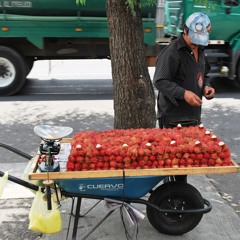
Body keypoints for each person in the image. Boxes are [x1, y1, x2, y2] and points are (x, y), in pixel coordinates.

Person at [153, 12, 215, 182]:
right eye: (194, 39)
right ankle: (170, 199)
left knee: (184, 165)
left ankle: (179, 197)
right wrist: (183, 93)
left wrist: (207, 87)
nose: (196, 44)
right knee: (172, 163)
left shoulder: (200, 50)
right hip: (173, 118)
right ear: (185, 31)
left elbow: (204, 73)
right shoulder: (172, 53)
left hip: (192, 117)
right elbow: (159, 81)